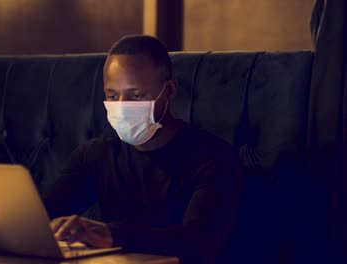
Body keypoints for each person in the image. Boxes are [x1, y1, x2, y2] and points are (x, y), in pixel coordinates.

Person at [42, 35, 243, 263]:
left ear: (169, 90)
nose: (122, 107)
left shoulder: (212, 158)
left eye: (136, 96)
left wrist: (111, 234)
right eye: (113, 96)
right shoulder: (94, 156)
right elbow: (43, 214)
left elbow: (200, 241)